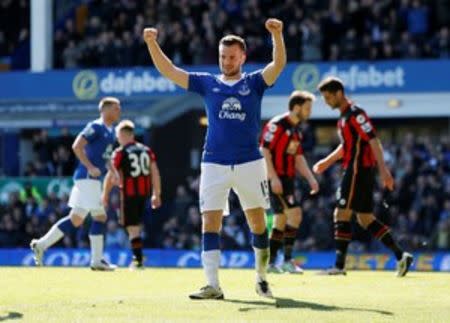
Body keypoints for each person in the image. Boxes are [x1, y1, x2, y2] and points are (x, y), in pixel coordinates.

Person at [143, 18, 286, 299]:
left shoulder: (254, 83)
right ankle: (213, 285)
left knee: (257, 224)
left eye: (232, 57)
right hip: (213, 163)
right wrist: (151, 43)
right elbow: (170, 71)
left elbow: (278, 65)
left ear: (243, 57)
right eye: (223, 56)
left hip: (249, 163)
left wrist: (277, 36)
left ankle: (261, 277)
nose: (226, 61)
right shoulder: (207, 83)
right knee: (209, 223)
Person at [312, 77, 413, 276]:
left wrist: (384, 170)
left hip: (357, 170)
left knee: (341, 214)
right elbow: (346, 146)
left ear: (339, 93)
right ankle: (401, 256)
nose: (326, 102)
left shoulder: (356, 114)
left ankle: (339, 266)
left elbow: (374, 141)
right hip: (359, 171)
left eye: (328, 97)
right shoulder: (343, 118)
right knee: (365, 219)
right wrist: (327, 161)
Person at [30, 97, 121, 271]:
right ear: (106, 110)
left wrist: (113, 171)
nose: (119, 112)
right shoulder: (96, 126)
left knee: (76, 219)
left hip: (90, 180)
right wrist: (90, 167)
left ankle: (41, 245)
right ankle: (96, 260)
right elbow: (76, 146)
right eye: (116, 108)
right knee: (100, 217)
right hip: (87, 177)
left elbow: (106, 156)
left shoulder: (110, 131)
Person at [260, 90, 319, 274]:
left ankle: (269, 264)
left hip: (288, 179)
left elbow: (298, 157)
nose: (310, 111)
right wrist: (273, 177)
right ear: (296, 107)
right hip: (277, 179)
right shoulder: (276, 125)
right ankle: (286, 261)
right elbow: (264, 151)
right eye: (307, 108)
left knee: (281, 220)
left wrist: (311, 179)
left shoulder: (296, 130)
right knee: (296, 215)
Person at [102, 120, 161, 270]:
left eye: (118, 135)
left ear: (123, 134)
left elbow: (110, 175)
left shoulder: (120, 152)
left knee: (132, 228)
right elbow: (155, 172)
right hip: (144, 195)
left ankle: (138, 260)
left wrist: (105, 195)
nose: (117, 139)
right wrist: (156, 194)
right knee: (134, 227)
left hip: (129, 194)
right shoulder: (146, 150)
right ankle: (138, 256)